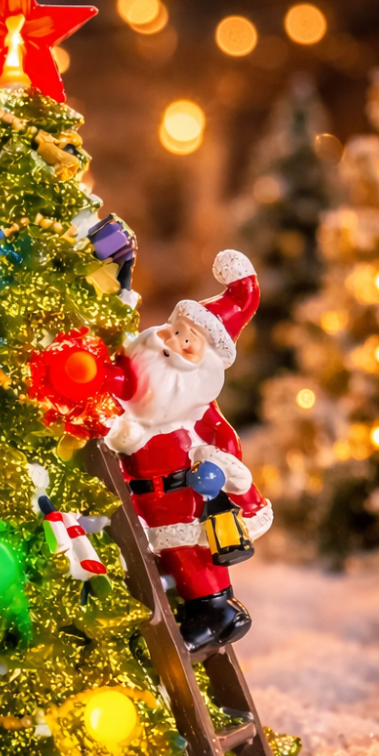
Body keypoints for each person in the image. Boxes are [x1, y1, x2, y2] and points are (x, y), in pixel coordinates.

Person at [105, 250, 273, 653]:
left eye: (188, 343)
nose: (173, 344)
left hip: (183, 497)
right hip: (146, 498)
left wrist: (223, 467)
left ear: (206, 365)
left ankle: (218, 611)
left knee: (189, 551)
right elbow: (118, 381)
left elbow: (225, 441)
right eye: (175, 331)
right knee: (174, 554)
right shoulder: (142, 372)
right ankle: (209, 610)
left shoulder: (196, 406)